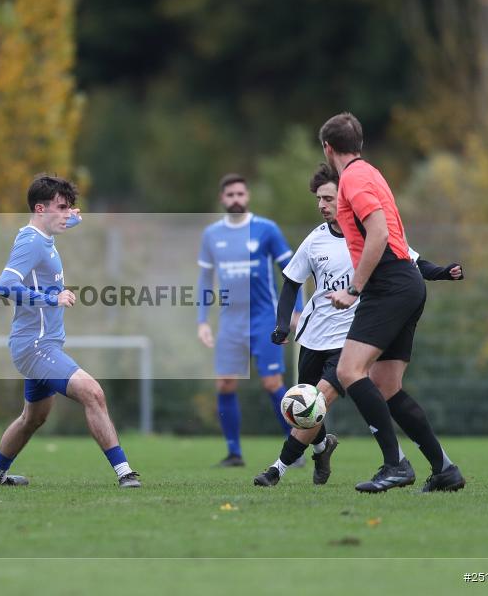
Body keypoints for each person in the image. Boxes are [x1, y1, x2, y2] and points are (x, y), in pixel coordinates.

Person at [254, 163, 464, 487]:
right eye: (319, 200)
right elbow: (291, 282)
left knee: (318, 398)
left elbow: (408, 258)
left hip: (352, 334)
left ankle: (277, 469)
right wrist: (283, 325)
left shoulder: (369, 230)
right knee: (322, 401)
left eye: (328, 198)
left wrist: (439, 272)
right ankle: (325, 448)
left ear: (346, 196)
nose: (323, 205)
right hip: (314, 335)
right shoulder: (316, 241)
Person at [319, 112, 465, 493]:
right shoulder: (372, 172)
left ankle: (395, 464)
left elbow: (379, 233)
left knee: (350, 372)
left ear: (328, 148)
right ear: (360, 144)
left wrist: (354, 288)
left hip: (389, 285)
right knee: (386, 385)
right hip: (406, 281)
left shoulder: (352, 179)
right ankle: (444, 469)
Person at [0, 174, 141, 488]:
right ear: (40, 209)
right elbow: (4, 286)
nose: (68, 214)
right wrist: (51, 297)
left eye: (71, 209)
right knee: (94, 393)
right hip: (36, 346)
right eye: (62, 208)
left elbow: (62, 222)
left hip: (41, 344)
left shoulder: (42, 234)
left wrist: (73, 218)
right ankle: (124, 472)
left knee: (32, 418)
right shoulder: (31, 242)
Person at [197, 173, 303, 467]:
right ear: (223, 199)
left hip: (264, 319)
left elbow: (294, 271)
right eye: (230, 195)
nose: (236, 200)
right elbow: (205, 279)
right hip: (230, 323)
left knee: (272, 382)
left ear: (248, 196)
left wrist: (296, 312)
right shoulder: (211, 235)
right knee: (225, 384)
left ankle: (294, 451)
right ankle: (234, 453)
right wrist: (202, 320)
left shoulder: (266, 229)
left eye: (240, 194)